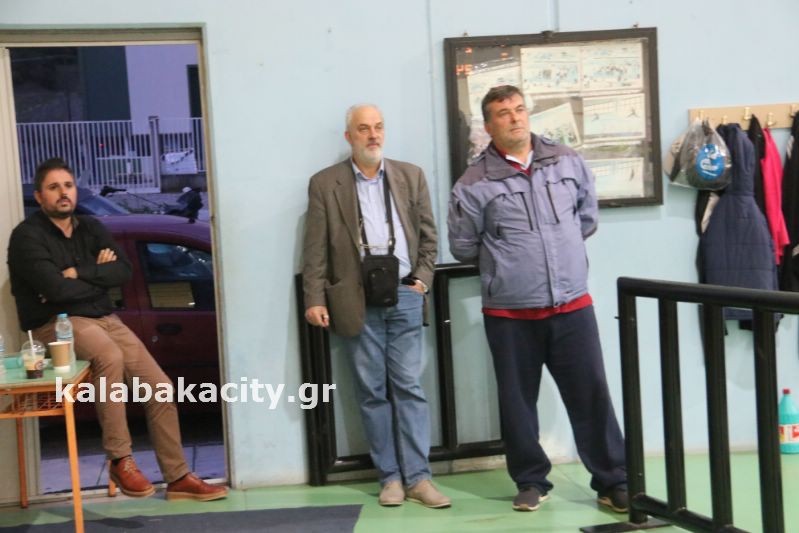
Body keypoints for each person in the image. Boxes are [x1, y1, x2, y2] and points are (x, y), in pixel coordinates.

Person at [447, 85, 627, 513]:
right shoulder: (473, 183)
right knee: (517, 403)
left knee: (591, 394)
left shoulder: (566, 160)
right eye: (503, 113)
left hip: (572, 304)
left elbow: (586, 218)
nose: (514, 118)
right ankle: (530, 481)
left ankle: (614, 480)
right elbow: (463, 245)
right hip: (510, 312)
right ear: (488, 126)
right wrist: (510, 265)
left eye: (519, 109)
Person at [7, 158, 227, 502]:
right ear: (39, 195)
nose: (63, 193)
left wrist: (77, 273)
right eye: (53, 187)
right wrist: (94, 276)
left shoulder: (90, 227)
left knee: (160, 388)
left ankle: (178, 477)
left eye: (68, 185)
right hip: (57, 322)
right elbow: (56, 291)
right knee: (108, 356)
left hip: (104, 317)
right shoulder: (27, 237)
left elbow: (122, 272)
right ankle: (120, 459)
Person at [302, 104, 448, 508]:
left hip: (405, 293)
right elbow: (314, 249)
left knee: (409, 387)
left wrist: (423, 280)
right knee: (371, 391)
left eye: (379, 127)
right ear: (349, 136)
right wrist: (314, 298)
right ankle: (390, 479)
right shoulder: (325, 184)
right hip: (355, 298)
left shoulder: (410, 176)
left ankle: (419, 478)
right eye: (364, 128)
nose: (373, 135)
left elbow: (429, 236)